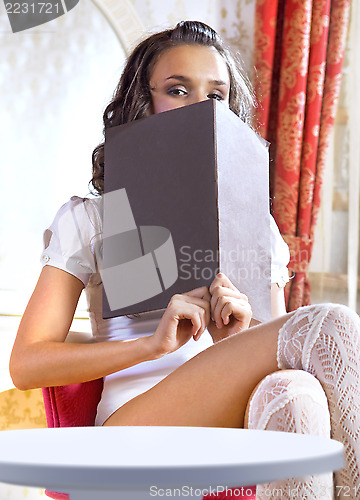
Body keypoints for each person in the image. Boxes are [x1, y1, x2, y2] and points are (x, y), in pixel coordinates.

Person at [9, 21, 359, 500]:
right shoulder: (93, 218)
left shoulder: (260, 228)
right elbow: (26, 365)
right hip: (130, 434)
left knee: (295, 396)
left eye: (216, 96)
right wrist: (152, 345)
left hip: (229, 425)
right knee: (332, 324)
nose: (200, 107)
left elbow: (283, 360)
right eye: (178, 89)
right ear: (142, 103)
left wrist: (236, 338)